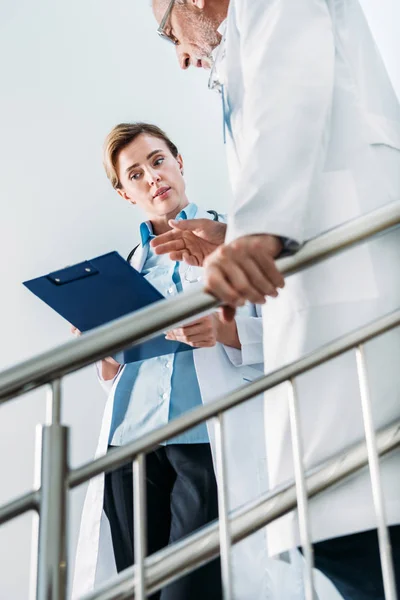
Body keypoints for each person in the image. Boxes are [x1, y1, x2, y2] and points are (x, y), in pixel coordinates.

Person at [151, 1, 400, 599]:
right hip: (333, 350)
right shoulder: (242, 40)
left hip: (361, 313)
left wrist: (256, 232)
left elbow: (292, 87)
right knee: (345, 536)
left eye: (168, 33)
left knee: (357, 531)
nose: (183, 56)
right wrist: (235, 236)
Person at [72, 122, 303, 599]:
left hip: (204, 439)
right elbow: (118, 374)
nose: (152, 177)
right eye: (135, 174)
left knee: (190, 588)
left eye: (158, 161)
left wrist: (226, 331)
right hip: (130, 447)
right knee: (141, 589)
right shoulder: (129, 266)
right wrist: (103, 347)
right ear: (124, 193)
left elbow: (289, 326)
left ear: (180, 163)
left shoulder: (237, 239)